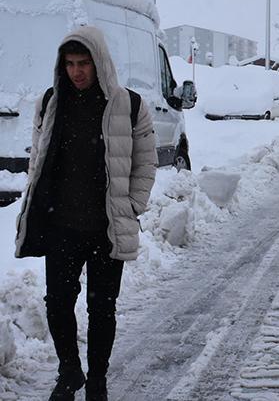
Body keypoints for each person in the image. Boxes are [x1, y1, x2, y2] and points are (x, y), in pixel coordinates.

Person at [14, 26, 157, 400]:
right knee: (57, 302)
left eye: (84, 63)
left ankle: (97, 379)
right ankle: (69, 372)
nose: (77, 71)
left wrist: (132, 205)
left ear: (100, 63)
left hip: (106, 226)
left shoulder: (131, 104)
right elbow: (38, 159)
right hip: (61, 225)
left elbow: (146, 163)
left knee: (101, 308)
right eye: (70, 64)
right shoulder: (50, 102)